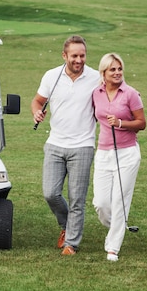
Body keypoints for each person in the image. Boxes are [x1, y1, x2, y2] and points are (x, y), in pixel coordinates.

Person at [31, 35, 99, 256]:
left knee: (77, 198)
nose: (79, 60)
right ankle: (66, 225)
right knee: (50, 193)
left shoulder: (96, 78)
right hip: (55, 144)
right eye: (74, 56)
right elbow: (37, 101)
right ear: (64, 56)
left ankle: (71, 243)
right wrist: (36, 112)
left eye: (82, 55)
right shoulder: (52, 76)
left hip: (83, 145)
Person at [92, 53, 146, 262]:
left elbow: (141, 123)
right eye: (112, 70)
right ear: (103, 73)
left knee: (119, 201)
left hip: (127, 153)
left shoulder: (131, 94)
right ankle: (119, 225)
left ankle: (113, 247)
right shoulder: (96, 93)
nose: (117, 73)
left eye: (119, 69)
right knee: (101, 203)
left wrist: (122, 123)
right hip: (104, 152)